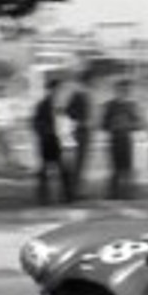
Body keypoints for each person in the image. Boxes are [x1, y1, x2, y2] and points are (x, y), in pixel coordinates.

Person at [101, 77, 142, 200]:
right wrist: (112, 125)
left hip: (126, 139)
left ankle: (127, 194)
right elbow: (103, 124)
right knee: (114, 168)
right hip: (114, 139)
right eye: (122, 88)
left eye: (127, 89)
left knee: (127, 168)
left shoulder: (132, 105)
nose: (125, 91)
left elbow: (139, 124)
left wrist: (128, 125)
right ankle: (113, 194)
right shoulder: (109, 105)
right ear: (116, 90)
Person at [32, 77, 71, 204]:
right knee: (45, 168)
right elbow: (36, 123)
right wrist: (45, 132)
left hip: (58, 139)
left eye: (58, 89)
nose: (57, 92)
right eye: (55, 89)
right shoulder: (43, 104)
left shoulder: (60, 105)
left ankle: (65, 196)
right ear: (49, 89)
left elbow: (65, 121)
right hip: (47, 139)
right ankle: (44, 197)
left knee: (61, 168)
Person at [65, 70, 94, 200]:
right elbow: (68, 111)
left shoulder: (85, 94)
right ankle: (74, 192)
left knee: (82, 162)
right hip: (81, 130)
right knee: (79, 162)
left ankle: (78, 191)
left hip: (85, 130)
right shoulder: (78, 94)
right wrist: (80, 121)